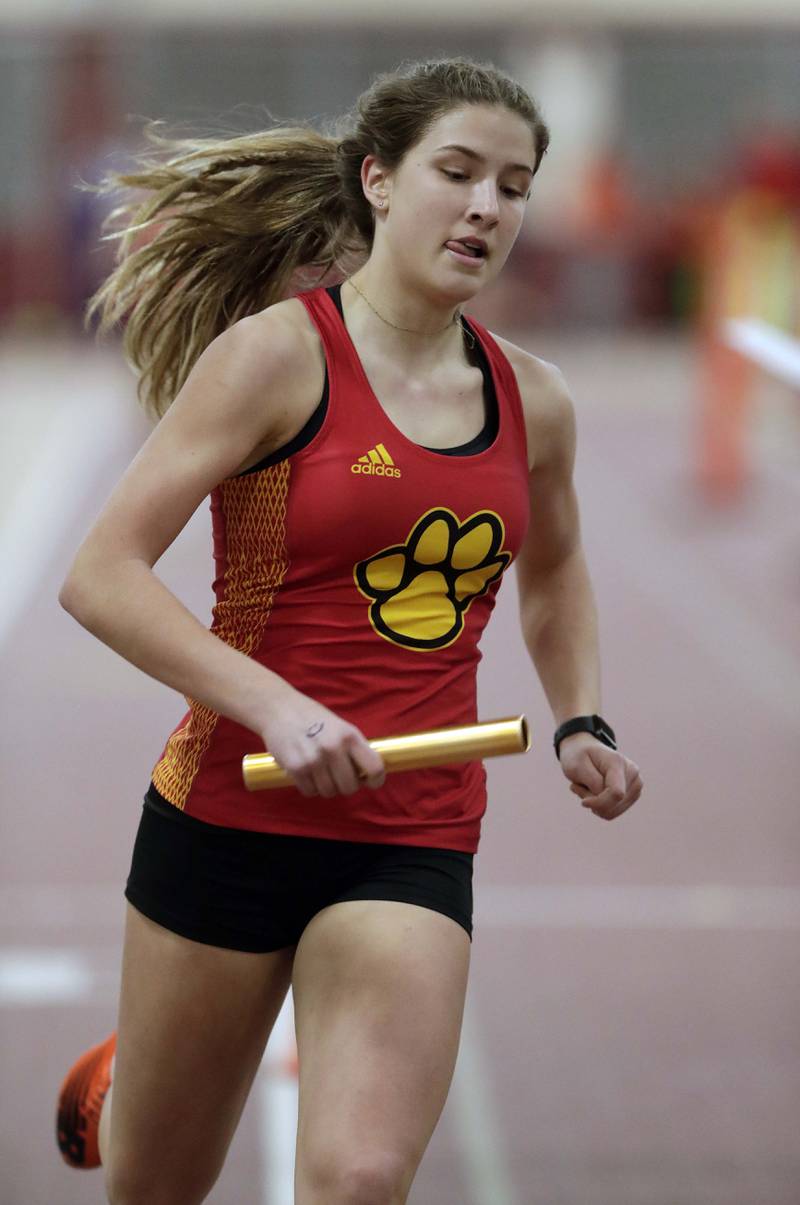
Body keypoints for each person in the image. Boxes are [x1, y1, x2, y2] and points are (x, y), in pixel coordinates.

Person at [55, 56, 643, 1205]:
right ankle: (133, 1091)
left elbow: (557, 564)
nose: (485, 207)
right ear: (378, 179)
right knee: (155, 1185)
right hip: (229, 811)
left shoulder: (537, 400)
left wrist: (579, 713)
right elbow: (101, 575)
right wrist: (275, 703)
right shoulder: (275, 355)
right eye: (457, 172)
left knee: (362, 1175)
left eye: (513, 187)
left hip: (410, 829)